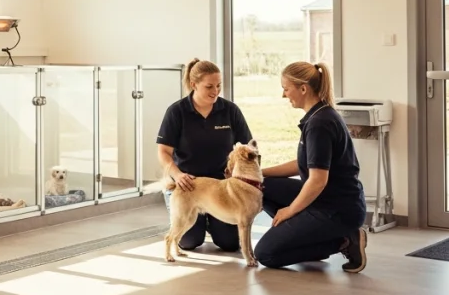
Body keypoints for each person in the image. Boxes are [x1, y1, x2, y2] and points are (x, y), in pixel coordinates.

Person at [254, 62, 368, 273]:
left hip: (336, 209)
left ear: (303, 89)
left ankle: (344, 240)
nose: (284, 95)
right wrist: (258, 174)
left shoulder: (320, 124)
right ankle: (306, 234)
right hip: (326, 199)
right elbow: (304, 165)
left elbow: (317, 180)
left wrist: (289, 211)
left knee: (265, 253)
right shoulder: (318, 115)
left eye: (286, 89)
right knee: (261, 185)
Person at [156, 58, 253, 253]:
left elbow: (248, 148)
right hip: (188, 184)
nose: (215, 91)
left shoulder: (230, 110)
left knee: (230, 244)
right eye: (209, 86)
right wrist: (178, 175)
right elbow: (164, 152)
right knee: (189, 242)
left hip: (221, 188)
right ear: (194, 85)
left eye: (218, 85)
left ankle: (211, 222)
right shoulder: (177, 112)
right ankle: (202, 223)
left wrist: (237, 174)